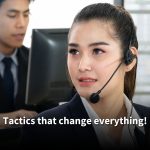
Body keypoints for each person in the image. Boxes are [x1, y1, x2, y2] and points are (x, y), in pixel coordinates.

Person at [21, 3, 150, 149]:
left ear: (129, 59)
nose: (82, 66)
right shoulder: (41, 132)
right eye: (74, 51)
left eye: (97, 51)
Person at [0, 0, 37, 146]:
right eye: (12, 15)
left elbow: (49, 108)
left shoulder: (36, 59)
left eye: (26, 14)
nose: (21, 24)